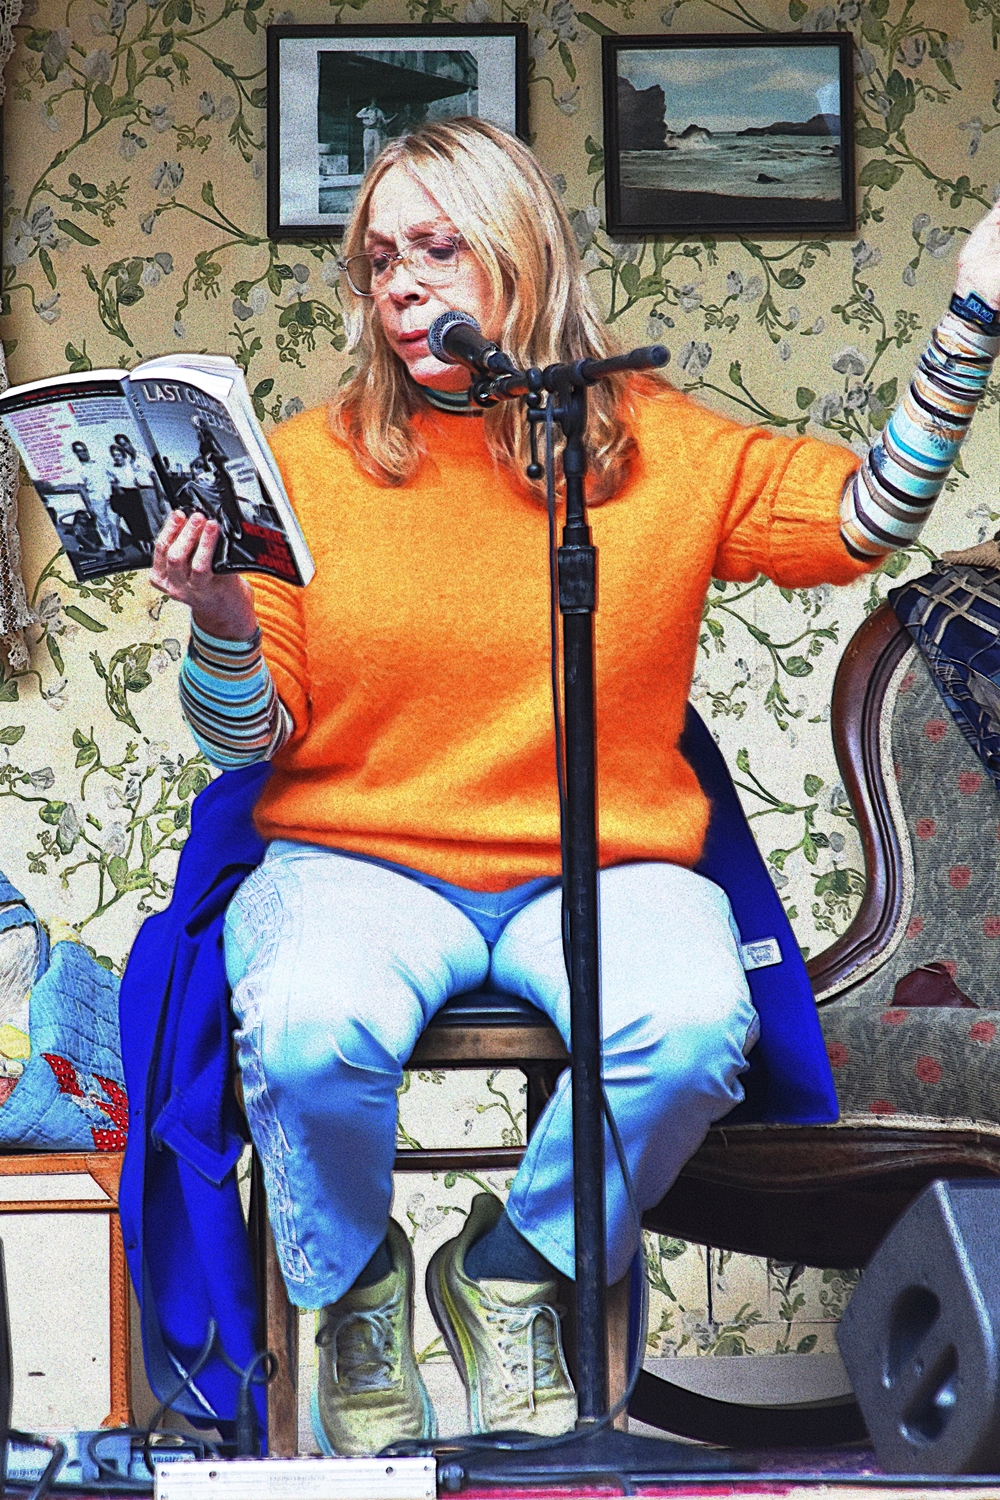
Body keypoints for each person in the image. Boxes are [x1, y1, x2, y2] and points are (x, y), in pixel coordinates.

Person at [149, 118, 1000, 1456]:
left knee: (690, 1028)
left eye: (436, 249)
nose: (401, 285)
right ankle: (355, 1283)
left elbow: (865, 522)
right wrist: (218, 618)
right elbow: (248, 736)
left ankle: (512, 1270)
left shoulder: (656, 450)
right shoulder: (303, 470)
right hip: (355, 861)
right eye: (379, 260)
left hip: (600, 863)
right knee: (310, 1029)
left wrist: (971, 318)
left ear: (521, 255)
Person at [68, 439, 122, 552]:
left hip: (110, 496)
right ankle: (109, 546)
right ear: (76, 453)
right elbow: (82, 489)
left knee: (114, 522)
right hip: (96, 499)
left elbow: (112, 478)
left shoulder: (98, 464)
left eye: (84, 450)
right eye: (80, 451)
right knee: (103, 524)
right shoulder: (78, 469)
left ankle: (117, 545)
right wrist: (89, 506)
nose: (83, 453)